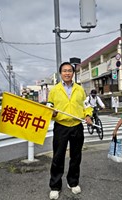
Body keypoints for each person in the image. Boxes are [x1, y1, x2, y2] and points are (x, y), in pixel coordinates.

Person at [47, 62, 93, 200]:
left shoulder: (79, 89)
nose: (67, 73)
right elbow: (49, 106)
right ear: (60, 73)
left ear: (73, 73)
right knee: (58, 157)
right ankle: (55, 186)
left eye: (69, 71)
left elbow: (87, 106)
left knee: (76, 156)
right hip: (61, 126)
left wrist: (88, 115)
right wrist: (52, 113)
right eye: (64, 71)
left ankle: (73, 182)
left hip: (77, 126)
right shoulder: (54, 90)